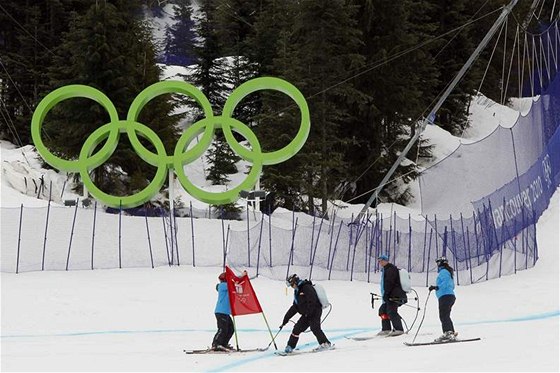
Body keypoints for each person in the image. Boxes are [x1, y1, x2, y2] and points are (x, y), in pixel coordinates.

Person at [280, 274, 332, 353]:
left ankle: (325, 344)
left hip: (315, 311)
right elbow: (294, 307)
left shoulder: (306, 287)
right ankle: (290, 346)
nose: (291, 287)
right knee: (296, 329)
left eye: (291, 285)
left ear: (295, 282)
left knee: (315, 328)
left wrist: (308, 312)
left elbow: (313, 301)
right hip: (306, 314)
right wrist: (285, 320)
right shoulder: (297, 292)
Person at [377, 254, 407, 336]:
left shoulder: (391, 269)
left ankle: (399, 329)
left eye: (382, 261)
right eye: (379, 261)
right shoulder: (385, 270)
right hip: (388, 295)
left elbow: (389, 283)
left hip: (394, 295)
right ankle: (386, 329)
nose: (380, 262)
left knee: (392, 311)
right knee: (383, 310)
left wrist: (386, 293)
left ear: (386, 261)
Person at [429, 256, 457, 342]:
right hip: (448, 296)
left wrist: (437, 287)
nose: (437, 265)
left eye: (438, 263)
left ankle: (448, 333)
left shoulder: (444, 272)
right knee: (445, 315)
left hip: (445, 296)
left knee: (443, 315)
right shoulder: (447, 272)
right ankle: (450, 332)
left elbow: (446, 282)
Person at [212, 271, 234, 351]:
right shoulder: (222, 286)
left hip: (226, 313)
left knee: (231, 329)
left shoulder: (228, 287)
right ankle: (216, 344)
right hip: (221, 312)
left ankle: (223, 344)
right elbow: (232, 285)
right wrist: (240, 277)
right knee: (222, 329)